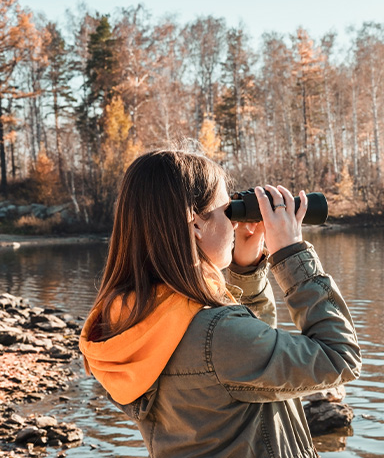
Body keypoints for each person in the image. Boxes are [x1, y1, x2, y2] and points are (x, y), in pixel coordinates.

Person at [79, 149, 361, 458]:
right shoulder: (216, 334)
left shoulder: (134, 319)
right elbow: (340, 358)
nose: (235, 223)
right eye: (229, 210)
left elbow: (256, 363)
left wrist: (247, 268)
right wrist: (291, 253)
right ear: (196, 225)